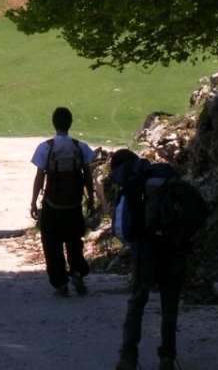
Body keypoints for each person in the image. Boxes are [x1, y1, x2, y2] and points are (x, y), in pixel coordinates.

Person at [110, 148, 191, 370]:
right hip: (172, 248)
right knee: (170, 303)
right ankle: (167, 357)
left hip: (145, 249)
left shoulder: (130, 183)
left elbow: (122, 228)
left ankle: (128, 357)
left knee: (137, 302)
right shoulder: (166, 175)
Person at [30, 106, 95, 296]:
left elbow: (39, 176)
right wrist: (90, 198)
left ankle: (60, 282)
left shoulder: (46, 147)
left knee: (52, 243)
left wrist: (34, 201)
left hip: (52, 203)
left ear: (54, 123)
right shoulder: (80, 147)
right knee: (74, 241)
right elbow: (88, 176)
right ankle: (76, 271)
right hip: (74, 204)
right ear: (70, 123)